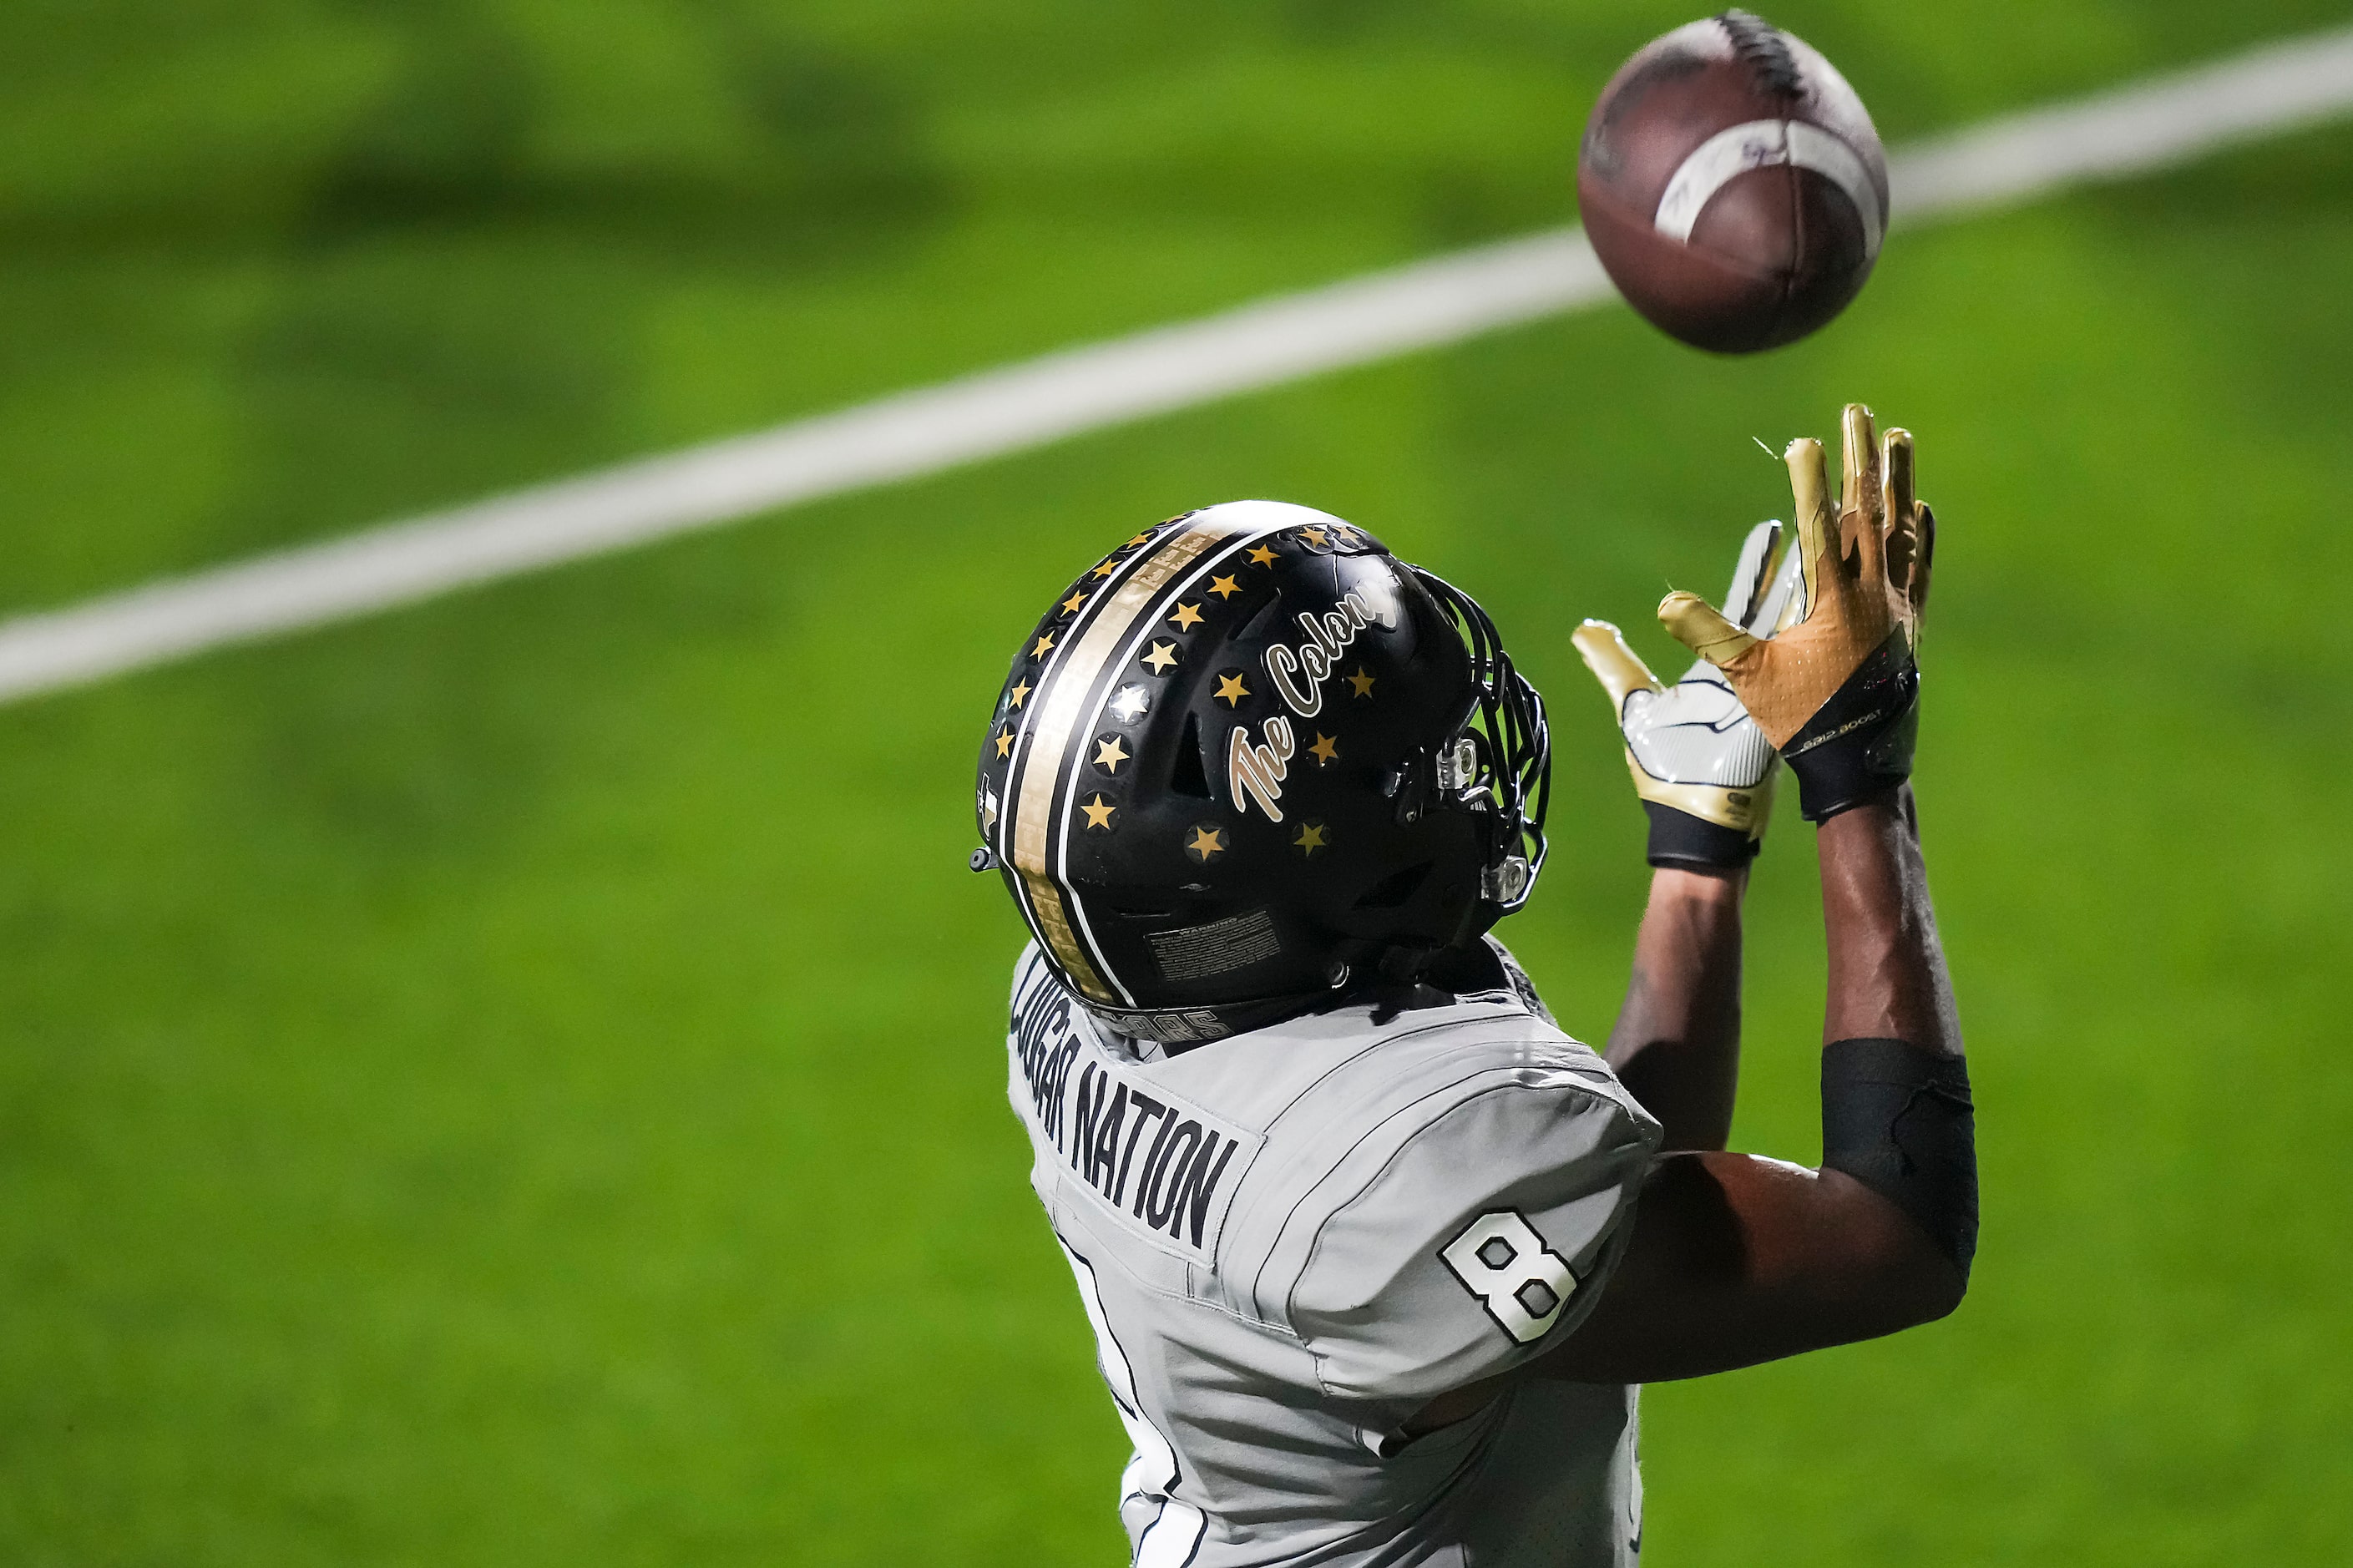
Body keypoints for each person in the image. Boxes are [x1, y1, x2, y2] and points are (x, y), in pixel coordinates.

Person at [973, 403, 1973, 1565]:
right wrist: (1857, 767)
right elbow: (1891, 1245)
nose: (1459, 782)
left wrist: (1696, 856)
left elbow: (1611, 1210)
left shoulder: (1085, 993)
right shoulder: (1381, 1180)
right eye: (1423, 770)